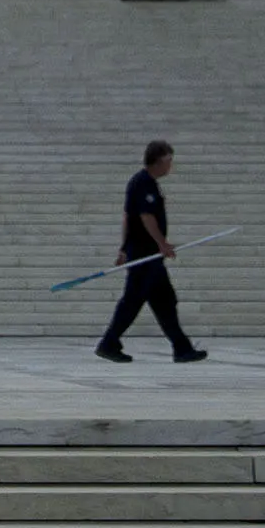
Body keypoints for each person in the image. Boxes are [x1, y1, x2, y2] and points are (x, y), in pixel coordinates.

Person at [93, 139, 207, 364]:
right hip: (145, 255)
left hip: (146, 255)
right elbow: (145, 217)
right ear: (157, 160)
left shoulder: (146, 182)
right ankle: (108, 343)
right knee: (133, 301)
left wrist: (124, 248)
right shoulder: (143, 182)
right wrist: (161, 244)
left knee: (165, 300)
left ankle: (181, 348)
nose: (170, 166)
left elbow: (128, 217)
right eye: (168, 161)